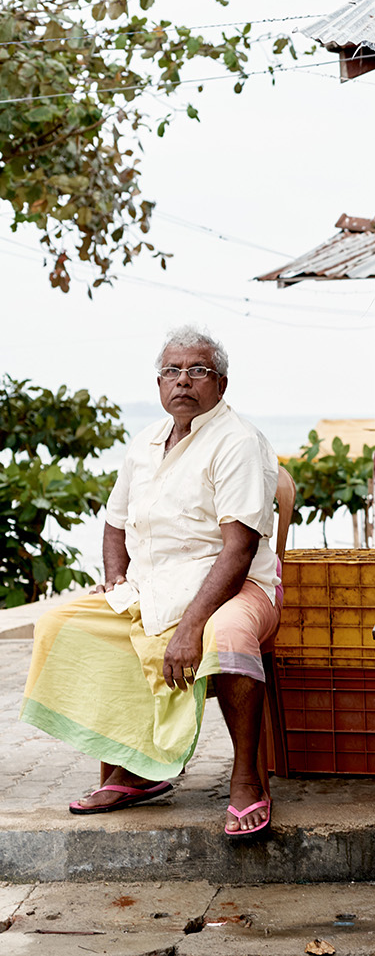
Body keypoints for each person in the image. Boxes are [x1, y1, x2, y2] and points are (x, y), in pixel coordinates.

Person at [20, 326, 282, 837]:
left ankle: (247, 779)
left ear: (221, 384)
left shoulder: (238, 441)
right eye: (171, 371)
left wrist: (191, 626)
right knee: (62, 625)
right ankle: (134, 768)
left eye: (198, 370)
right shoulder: (146, 442)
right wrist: (116, 579)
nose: (183, 380)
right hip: (151, 587)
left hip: (236, 587)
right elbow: (115, 523)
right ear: (159, 383)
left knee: (227, 636)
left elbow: (239, 548)